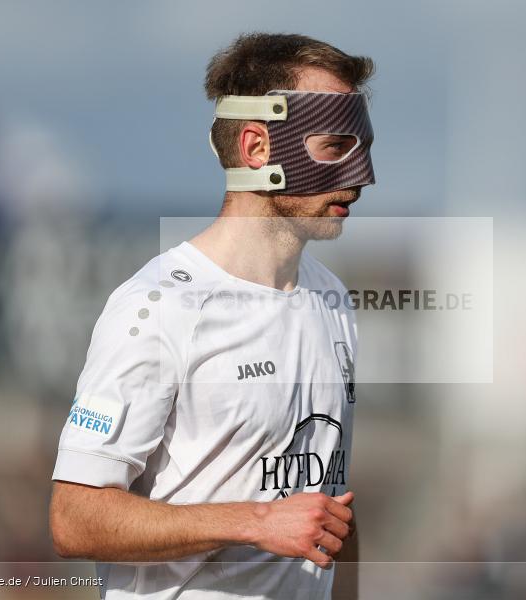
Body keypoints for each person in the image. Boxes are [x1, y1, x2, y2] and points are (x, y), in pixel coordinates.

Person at [48, 32, 375, 599]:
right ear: (257, 148)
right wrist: (255, 522)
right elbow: (74, 518)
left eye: (363, 147)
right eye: (335, 146)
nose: (361, 176)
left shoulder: (331, 298)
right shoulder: (158, 306)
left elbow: (327, 508)